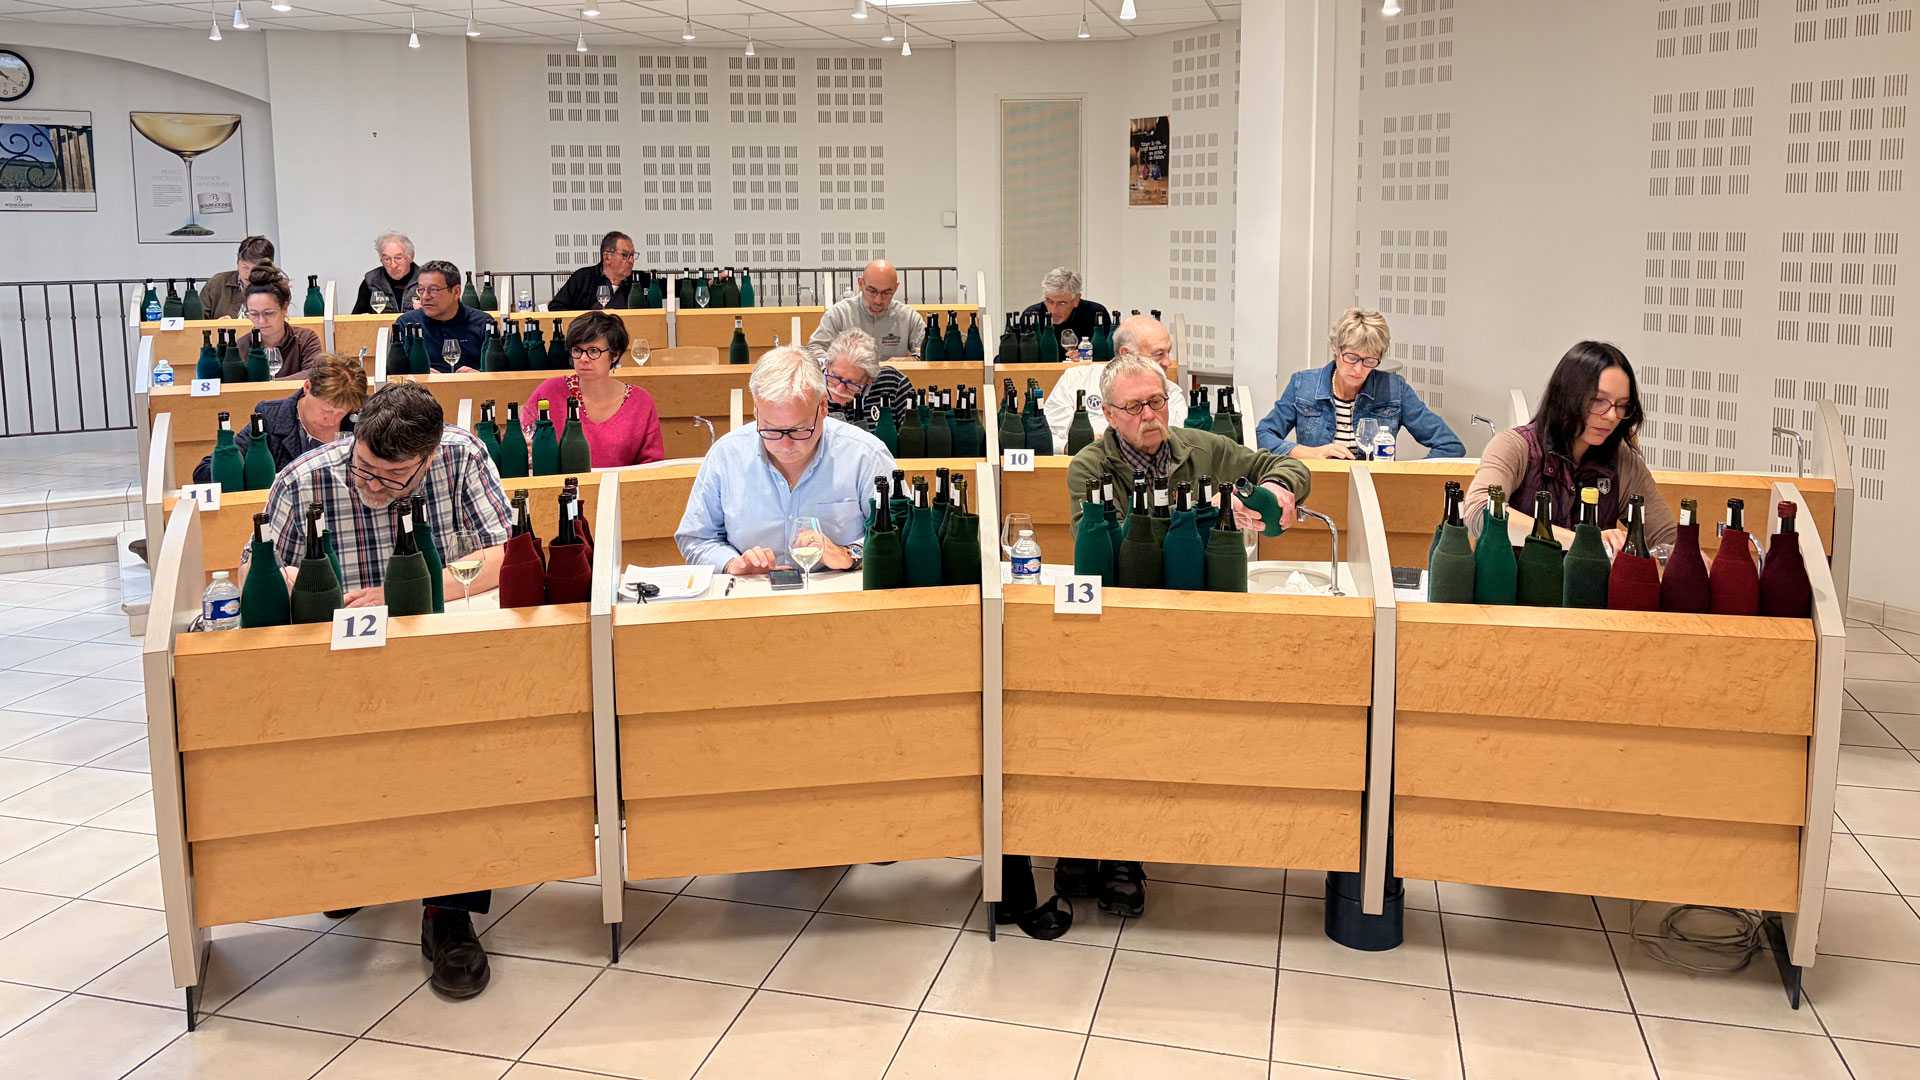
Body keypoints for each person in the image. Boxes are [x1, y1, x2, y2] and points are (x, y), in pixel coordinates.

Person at [237, 382, 510, 999]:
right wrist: (317, 587)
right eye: (364, 467)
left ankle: (448, 913)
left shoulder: (464, 457)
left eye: (393, 478)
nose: (372, 486)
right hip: (340, 665)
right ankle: (357, 865)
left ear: (429, 458)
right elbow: (258, 573)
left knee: (456, 760)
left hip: (444, 653)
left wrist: (423, 582)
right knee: (346, 761)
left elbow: (500, 554)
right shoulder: (306, 478)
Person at [1051, 354, 1311, 918]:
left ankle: (1124, 852)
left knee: (1157, 732)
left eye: (1158, 401)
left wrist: (1276, 492)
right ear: (1109, 413)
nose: (1151, 415)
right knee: (1099, 726)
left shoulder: (1203, 447)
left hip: (1192, 622)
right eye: (1136, 406)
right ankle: (1083, 839)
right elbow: (1106, 546)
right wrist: (1200, 517)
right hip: (1119, 623)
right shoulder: (1087, 467)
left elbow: (1284, 465)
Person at [676, 346, 896, 575]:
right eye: (771, 429)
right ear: (756, 410)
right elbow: (696, 540)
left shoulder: (865, 455)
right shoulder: (726, 455)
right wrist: (732, 563)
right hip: (752, 596)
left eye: (799, 430)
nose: (785, 445)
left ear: (823, 406)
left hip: (839, 599)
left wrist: (850, 554)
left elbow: (900, 530)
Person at [1464, 341, 1675, 555]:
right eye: (1599, 401)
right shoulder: (1514, 446)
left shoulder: (1623, 461)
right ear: (1566, 397)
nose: (1612, 416)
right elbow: (1480, 513)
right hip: (1510, 585)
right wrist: (1584, 541)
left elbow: (1667, 538)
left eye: (1622, 405)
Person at [1256, 308, 1464, 460]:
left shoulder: (1394, 390)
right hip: (1316, 486)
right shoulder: (1303, 384)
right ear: (1335, 349)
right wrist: (1307, 453)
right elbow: (1263, 435)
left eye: (1369, 361)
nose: (1358, 369)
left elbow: (1450, 446)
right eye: (1351, 357)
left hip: (1374, 490)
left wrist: (1403, 477)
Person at [192, 351, 364, 483]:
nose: (332, 421)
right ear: (307, 387)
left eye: (341, 413)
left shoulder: (363, 416)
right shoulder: (270, 419)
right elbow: (204, 472)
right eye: (325, 411)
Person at [522, 311, 665, 468]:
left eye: (593, 351)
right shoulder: (549, 392)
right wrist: (523, 450)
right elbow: (517, 440)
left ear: (615, 355)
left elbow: (653, 467)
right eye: (577, 350)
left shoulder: (641, 402)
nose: (583, 359)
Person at [1041, 313, 1187, 447]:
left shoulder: (1171, 393)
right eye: (1159, 354)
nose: (1168, 362)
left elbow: (1171, 438)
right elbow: (1046, 433)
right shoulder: (1077, 378)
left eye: (1168, 352)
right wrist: (1068, 446)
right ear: (1126, 354)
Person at [808, 259, 925, 362]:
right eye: (872, 291)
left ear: (896, 288)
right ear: (860, 284)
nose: (878, 300)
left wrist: (913, 360)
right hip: (848, 384)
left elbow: (929, 355)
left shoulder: (909, 317)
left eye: (886, 293)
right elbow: (815, 350)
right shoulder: (839, 314)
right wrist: (840, 367)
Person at [390, 260, 493, 372]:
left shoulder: (483, 323)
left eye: (433, 290)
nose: (425, 296)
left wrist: (480, 375)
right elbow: (395, 374)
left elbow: (499, 373)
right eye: (421, 290)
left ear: (456, 292)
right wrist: (418, 376)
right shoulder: (406, 323)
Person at [234, 263, 325, 379]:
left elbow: (313, 374)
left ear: (285, 308)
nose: (261, 321)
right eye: (254, 314)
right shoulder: (240, 347)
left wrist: (268, 384)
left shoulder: (306, 339)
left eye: (268, 313)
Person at [822, 327, 916, 434]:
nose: (840, 389)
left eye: (852, 383)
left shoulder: (895, 384)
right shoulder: (809, 385)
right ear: (827, 365)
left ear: (870, 379)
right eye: (836, 377)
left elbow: (912, 440)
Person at [1021, 267, 1111, 361]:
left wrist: (1090, 355)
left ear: (1076, 300)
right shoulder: (1031, 316)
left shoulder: (1096, 314)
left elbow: (1111, 356)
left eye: (1062, 303)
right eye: (1049, 301)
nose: (1053, 311)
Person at [551, 230, 650, 311]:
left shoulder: (639, 280)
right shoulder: (583, 278)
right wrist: (590, 318)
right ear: (607, 257)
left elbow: (664, 288)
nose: (631, 261)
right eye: (625, 255)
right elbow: (555, 308)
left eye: (632, 255)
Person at [198, 235, 276, 320]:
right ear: (237, 259)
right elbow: (197, 324)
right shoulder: (217, 283)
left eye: (256, 270)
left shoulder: (276, 287)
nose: (249, 275)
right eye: (244, 267)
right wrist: (216, 326)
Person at [352, 231, 423, 314]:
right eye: (387, 259)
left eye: (398, 258)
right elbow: (355, 318)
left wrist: (428, 311)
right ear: (381, 260)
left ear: (411, 256)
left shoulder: (426, 280)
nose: (393, 265)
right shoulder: (372, 281)